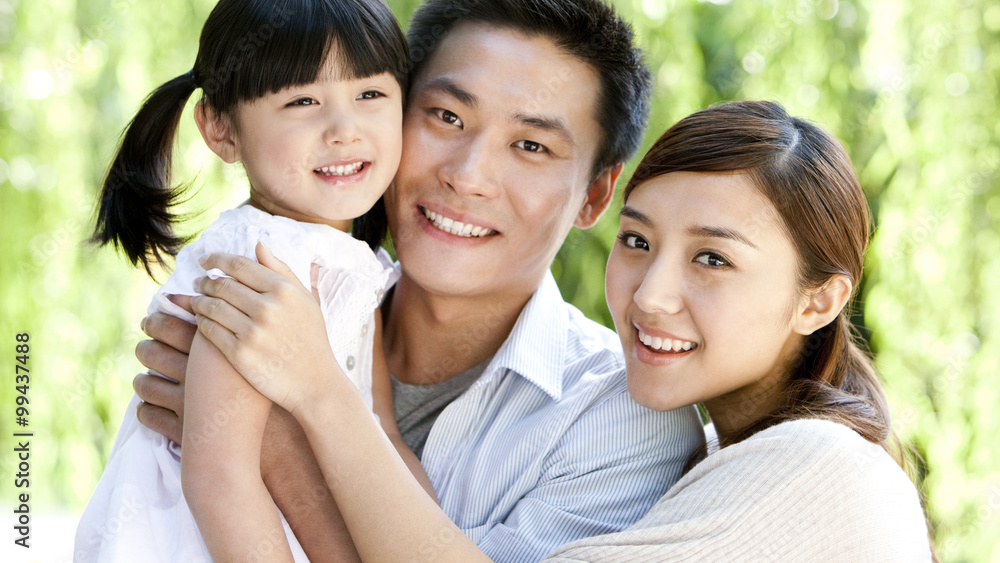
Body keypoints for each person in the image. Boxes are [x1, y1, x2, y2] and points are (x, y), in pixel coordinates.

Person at [133, 0, 706, 562]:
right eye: (446, 116)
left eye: (531, 145)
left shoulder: (623, 421)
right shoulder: (279, 282)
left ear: (594, 195)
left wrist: (280, 438)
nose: (467, 176)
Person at [186, 100, 933, 561]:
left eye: (712, 258)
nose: (651, 295)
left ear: (820, 300)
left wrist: (292, 418)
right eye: (637, 242)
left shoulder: (820, 467)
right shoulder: (716, 457)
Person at [76, 0, 416, 562]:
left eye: (370, 94)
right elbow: (218, 477)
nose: (344, 129)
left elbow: (382, 433)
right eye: (303, 101)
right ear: (220, 129)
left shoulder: (354, 263)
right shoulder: (254, 260)